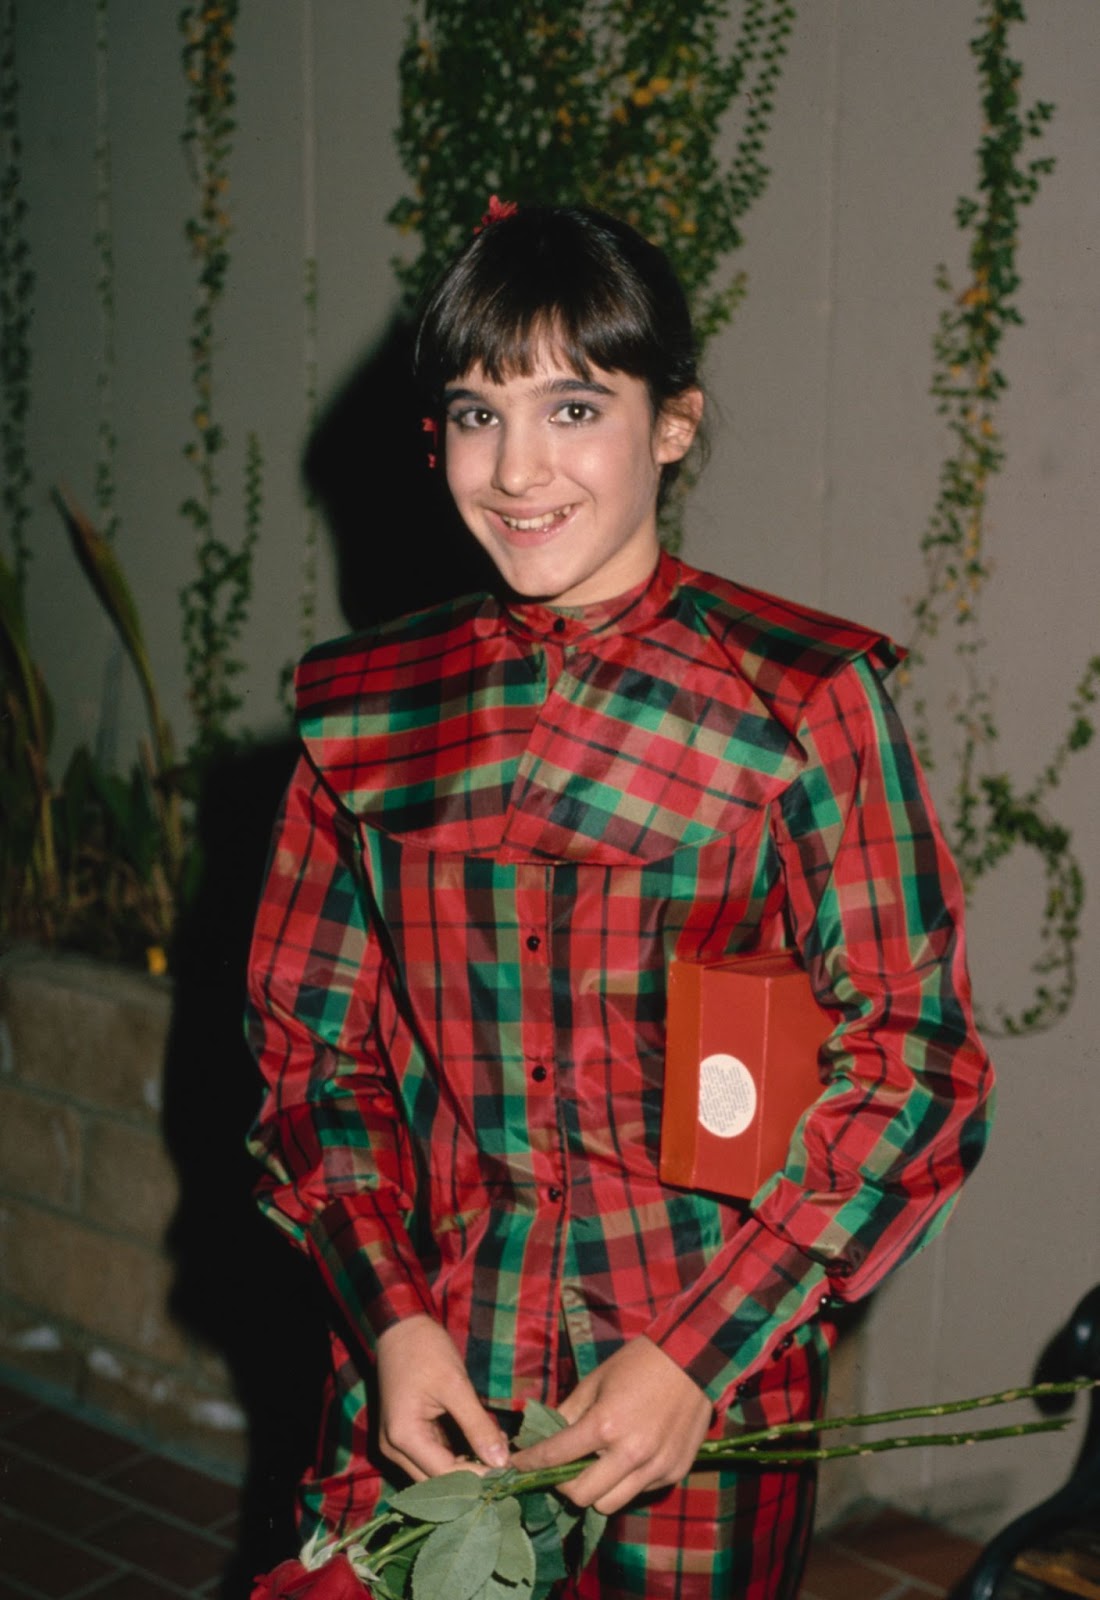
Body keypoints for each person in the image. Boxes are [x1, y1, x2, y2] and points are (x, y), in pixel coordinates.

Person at [246, 203, 993, 1599]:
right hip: (431, 1386)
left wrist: (697, 1355)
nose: (517, 469)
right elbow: (311, 1061)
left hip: (691, 1404)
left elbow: (919, 1068)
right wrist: (391, 1321)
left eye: (574, 406)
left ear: (672, 424)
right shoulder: (364, 714)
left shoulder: (806, 704)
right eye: (476, 414)